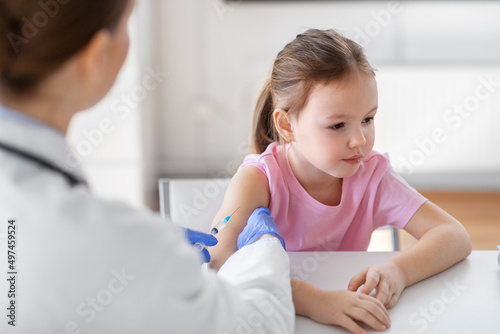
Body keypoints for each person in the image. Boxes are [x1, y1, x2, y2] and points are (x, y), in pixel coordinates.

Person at [0, 1, 294, 333]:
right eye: (127, 25)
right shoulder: (105, 244)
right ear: (94, 55)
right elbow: (254, 324)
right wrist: (263, 249)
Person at [208, 29, 472, 334]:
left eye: (367, 119)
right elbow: (218, 261)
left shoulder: (373, 177)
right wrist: (314, 300)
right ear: (286, 124)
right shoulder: (258, 179)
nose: (359, 139)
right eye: (337, 125)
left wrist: (397, 270)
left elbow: (454, 235)